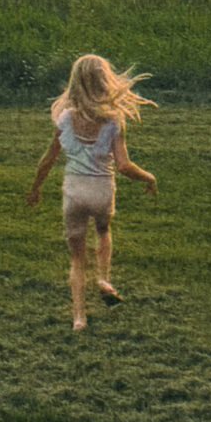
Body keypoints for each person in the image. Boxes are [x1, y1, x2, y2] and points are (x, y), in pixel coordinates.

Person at [26, 54, 157, 331]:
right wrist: (148, 177)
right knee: (103, 232)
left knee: (76, 258)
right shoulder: (114, 121)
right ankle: (104, 279)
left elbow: (48, 158)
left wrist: (36, 188)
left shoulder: (64, 118)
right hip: (101, 191)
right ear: (104, 81)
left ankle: (79, 319)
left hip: (74, 192)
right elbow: (123, 165)